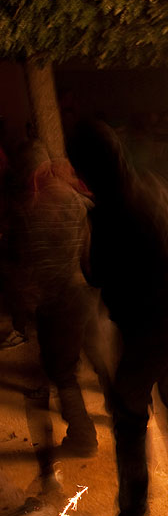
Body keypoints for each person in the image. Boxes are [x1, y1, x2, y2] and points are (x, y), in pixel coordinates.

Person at [66, 120, 168, 516]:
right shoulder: (156, 184)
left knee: (130, 427)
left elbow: (95, 275)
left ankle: (133, 511)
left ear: (88, 170)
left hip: (139, 339)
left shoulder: (107, 216)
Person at [2, 141, 100, 457]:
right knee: (99, 359)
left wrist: (28, 304)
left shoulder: (31, 209)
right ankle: (130, 414)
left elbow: (28, 266)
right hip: (85, 295)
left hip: (58, 304)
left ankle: (83, 437)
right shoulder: (75, 200)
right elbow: (88, 248)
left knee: (62, 372)